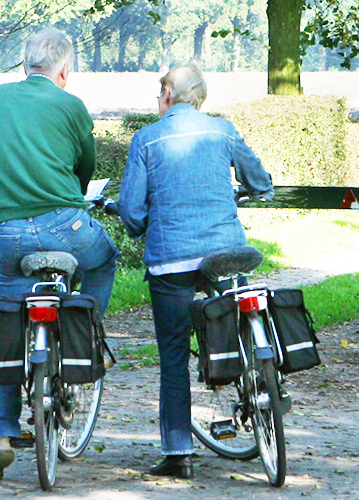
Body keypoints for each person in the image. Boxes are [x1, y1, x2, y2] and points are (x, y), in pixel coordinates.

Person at [0, 27, 120, 482]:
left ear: (24, 65)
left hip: (8, 234)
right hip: (65, 226)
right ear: (64, 70)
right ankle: (86, 336)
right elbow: (84, 166)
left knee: (6, 322)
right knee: (106, 258)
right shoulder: (71, 105)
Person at [116, 63, 274, 479]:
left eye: (158, 93)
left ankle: (178, 453)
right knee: (234, 324)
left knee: (172, 356)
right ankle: (255, 391)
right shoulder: (223, 131)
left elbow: (132, 212)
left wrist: (142, 224)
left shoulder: (146, 139)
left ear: (168, 94)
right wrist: (247, 191)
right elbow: (259, 181)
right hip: (225, 253)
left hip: (171, 262)